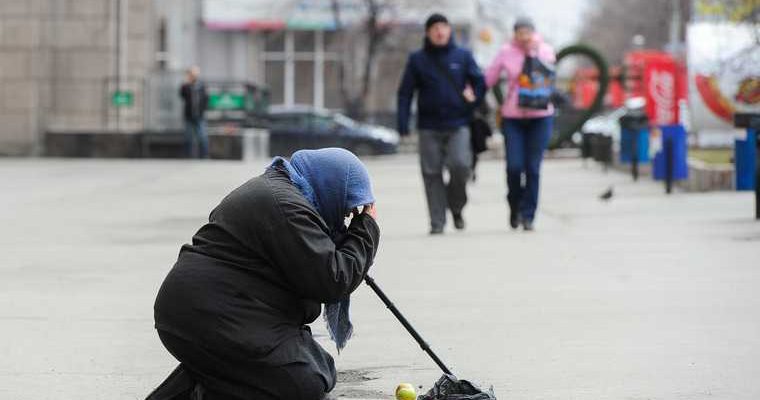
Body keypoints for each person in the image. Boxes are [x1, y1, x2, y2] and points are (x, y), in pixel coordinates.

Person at [146, 148, 380, 400]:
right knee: (305, 382)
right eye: (348, 204)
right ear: (331, 185)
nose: (347, 215)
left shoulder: (282, 195)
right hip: (209, 314)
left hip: (214, 312)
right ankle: (199, 390)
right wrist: (366, 228)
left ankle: (210, 373)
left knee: (317, 366)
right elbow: (333, 280)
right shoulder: (286, 207)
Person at [397, 13, 486, 235]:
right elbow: (405, 93)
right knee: (431, 173)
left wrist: (473, 96)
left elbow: (480, 82)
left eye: (443, 27)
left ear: (449, 30)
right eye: (435, 28)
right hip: (428, 125)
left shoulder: (463, 56)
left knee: (460, 166)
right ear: (428, 33)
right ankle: (437, 221)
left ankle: (455, 207)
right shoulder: (417, 59)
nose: (439, 31)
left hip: (459, 123)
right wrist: (403, 122)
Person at [485, 17, 556, 231]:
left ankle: (528, 215)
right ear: (514, 34)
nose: (524, 36)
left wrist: (533, 51)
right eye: (520, 32)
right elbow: (489, 78)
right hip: (513, 117)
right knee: (514, 167)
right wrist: (472, 92)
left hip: (541, 116)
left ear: (533, 33)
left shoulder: (545, 50)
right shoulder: (506, 52)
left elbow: (549, 71)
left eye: (528, 32)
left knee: (533, 168)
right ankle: (514, 205)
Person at [179, 66, 209, 159]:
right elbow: (182, 95)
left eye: (194, 74)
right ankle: (187, 155)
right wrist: (187, 82)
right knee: (188, 137)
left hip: (199, 115)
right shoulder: (186, 86)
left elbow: (206, 99)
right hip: (189, 115)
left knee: (202, 136)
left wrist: (203, 110)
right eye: (191, 74)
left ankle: (204, 155)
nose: (193, 76)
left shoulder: (202, 86)